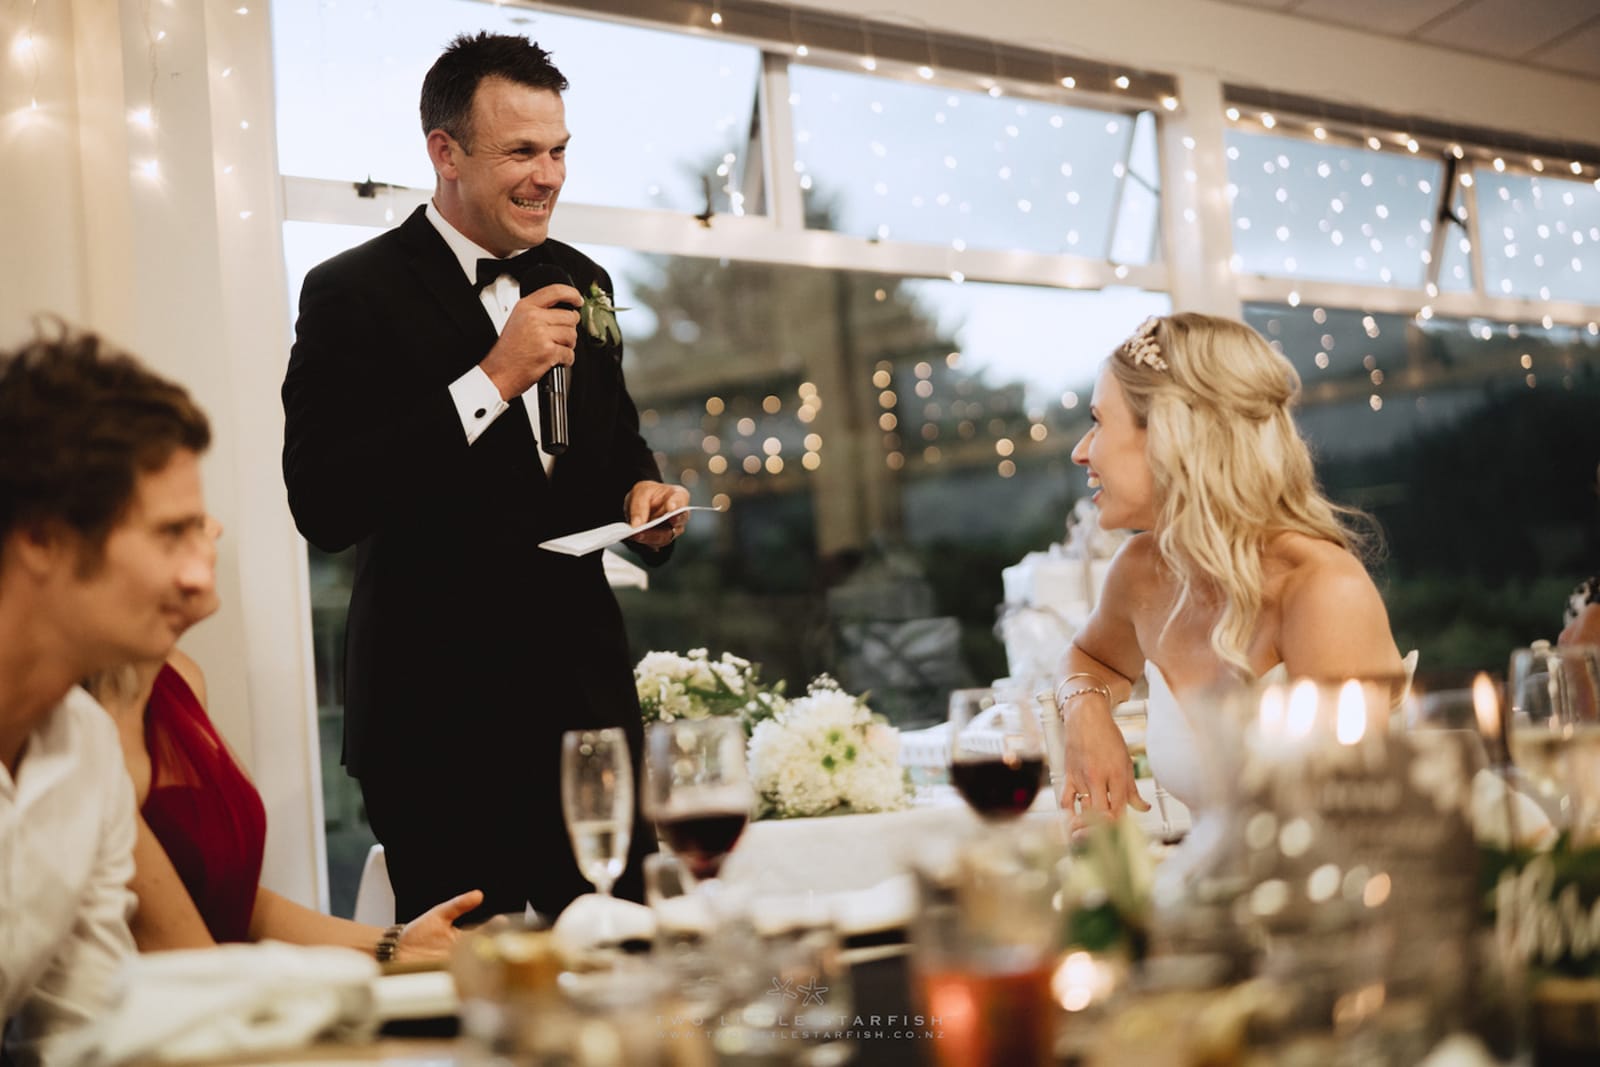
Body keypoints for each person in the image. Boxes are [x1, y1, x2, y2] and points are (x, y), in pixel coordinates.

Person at [282, 32, 688, 922]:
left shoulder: (584, 279)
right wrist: (493, 379)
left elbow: (613, 446)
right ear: (446, 153)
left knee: (627, 959)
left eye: (559, 151)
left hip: (586, 712)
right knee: (472, 987)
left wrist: (642, 497)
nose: (549, 177)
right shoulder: (351, 292)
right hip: (437, 726)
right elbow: (323, 500)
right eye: (522, 152)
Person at [1056, 313, 1404, 817]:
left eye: (1098, 421)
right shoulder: (1141, 572)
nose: (1080, 452)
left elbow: (1355, 826)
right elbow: (1088, 658)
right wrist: (1084, 709)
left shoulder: (1322, 591)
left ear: (1170, 434)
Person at [85, 521, 483, 961]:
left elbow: (233, 902)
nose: (215, 528)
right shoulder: (79, 731)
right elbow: (188, 960)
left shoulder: (182, 677)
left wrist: (395, 944)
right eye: (179, 526)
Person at [0, 326, 211, 1064]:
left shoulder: (87, 747)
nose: (201, 579)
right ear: (41, 538)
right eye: (170, 534)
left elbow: (86, 1034)